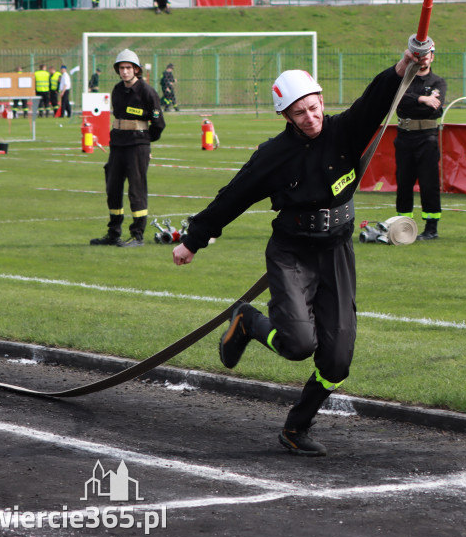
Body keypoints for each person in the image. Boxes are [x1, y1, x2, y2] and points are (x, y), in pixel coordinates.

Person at [171, 47, 428, 457]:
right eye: (300, 113)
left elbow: (377, 97)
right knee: (296, 344)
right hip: (292, 255)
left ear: (322, 101)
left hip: (337, 253)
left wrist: (407, 65)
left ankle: (296, 429)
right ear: (286, 116)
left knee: (337, 362)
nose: (311, 118)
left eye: (314, 107)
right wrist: (192, 240)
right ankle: (248, 320)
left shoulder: (346, 130)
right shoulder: (272, 156)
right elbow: (232, 197)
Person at [89, 49, 165, 247]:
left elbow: (158, 124)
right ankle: (113, 232)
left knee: (136, 189)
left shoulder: (147, 92)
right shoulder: (117, 90)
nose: (124, 72)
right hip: (118, 145)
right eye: (121, 68)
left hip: (137, 146)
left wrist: (145, 142)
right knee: (113, 188)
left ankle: (137, 235)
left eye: (128, 68)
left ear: (136, 70)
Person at [393, 42, 446, 240]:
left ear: (432, 56)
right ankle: (403, 224)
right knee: (403, 181)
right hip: (404, 136)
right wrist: (423, 99)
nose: (423, 58)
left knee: (428, 183)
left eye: (427, 54)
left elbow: (436, 108)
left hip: (427, 138)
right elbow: (397, 98)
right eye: (419, 54)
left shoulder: (439, 82)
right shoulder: (404, 79)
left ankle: (431, 227)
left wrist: (412, 101)